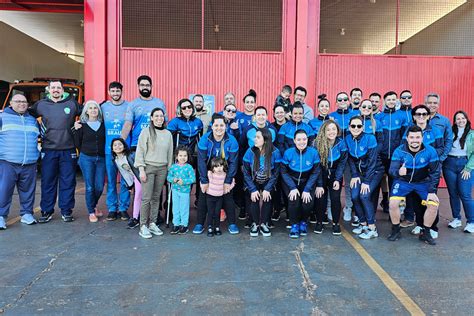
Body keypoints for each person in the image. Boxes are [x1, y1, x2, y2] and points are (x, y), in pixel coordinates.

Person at [29, 80, 82, 223]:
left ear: (62, 90)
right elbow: (26, 114)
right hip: (48, 149)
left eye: (58, 88)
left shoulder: (72, 104)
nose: (56, 90)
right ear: (49, 90)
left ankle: (66, 211)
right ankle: (47, 211)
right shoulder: (40, 105)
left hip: (68, 149)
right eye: (53, 88)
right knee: (48, 181)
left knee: (68, 181)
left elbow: (88, 111)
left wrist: (79, 125)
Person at [387, 125, 441, 245]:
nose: (415, 140)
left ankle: (426, 232)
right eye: (412, 137)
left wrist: (432, 191)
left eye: (417, 137)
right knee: (393, 203)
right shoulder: (399, 151)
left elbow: (435, 172)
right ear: (407, 138)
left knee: (433, 205)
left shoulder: (430, 151)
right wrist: (398, 172)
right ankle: (396, 229)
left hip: (423, 183)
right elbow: (391, 170)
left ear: (422, 138)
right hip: (403, 182)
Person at [194, 113, 240, 235]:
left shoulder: (232, 140)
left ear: (225, 126)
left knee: (228, 196)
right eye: (216, 125)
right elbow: (201, 161)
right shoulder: (205, 139)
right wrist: (204, 180)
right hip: (209, 172)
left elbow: (234, 162)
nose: (219, 128)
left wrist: (228, 180)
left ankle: (232, 223)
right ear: (212, 126)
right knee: (204, 195)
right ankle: (200, 223)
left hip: (224, 172)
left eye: (221, 125)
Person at [401, 105, 444, 230]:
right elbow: (404, 148)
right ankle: (420, 224)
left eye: (424, 114)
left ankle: (433, 227)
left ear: (428, 116)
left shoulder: (435, 131)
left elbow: (441, 148)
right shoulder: (408, 131)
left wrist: (429, 157)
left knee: (431, 200)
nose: (421, 116)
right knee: (416, 200)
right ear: (414, 116)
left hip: (430, 171)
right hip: (415, 171)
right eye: (418, 114)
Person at [0, 94, 40, 230]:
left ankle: (27, 214)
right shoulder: (2, 117)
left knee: (28, 191)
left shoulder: (33, 120)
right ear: (11, 103)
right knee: (4, 190)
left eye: (24, 102)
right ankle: (1, 216)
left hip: (29, 162)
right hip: (7, 162)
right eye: (18, 101)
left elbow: (41, 137)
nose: (22, 104)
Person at [134, 108, 173, 239]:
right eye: (156, 116)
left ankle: (152, 223)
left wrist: (169, 171)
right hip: (149, 167)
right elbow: (140, 151)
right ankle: (143, 225)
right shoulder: (146, 132)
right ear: (151, 118)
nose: (159, 118)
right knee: (146, 197)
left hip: (162, 169)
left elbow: (170, 154)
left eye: (161, 116)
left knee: (156, 197)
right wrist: (141, 169)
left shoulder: (168, 134)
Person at [346, 116, 384, 239]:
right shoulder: (348, 138)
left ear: (362, 127)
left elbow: (372, 161)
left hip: (375, 171)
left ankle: (372, 227)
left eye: (358, 126)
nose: (356, 128)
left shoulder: (370, 138)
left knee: (364, 195)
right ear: (349, 127)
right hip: (359, 173)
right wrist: (355, 175)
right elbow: (351, 159)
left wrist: (366, 181)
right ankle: (363, 224)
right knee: (354, 196)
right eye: (353, 126)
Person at [281, 130, 321, 238]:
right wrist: (292, 187)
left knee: (307, 203)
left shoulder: (313, 152)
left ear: (308, 140)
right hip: (291, 182)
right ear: (294, 140)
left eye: (304, 139)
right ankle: (294, 225)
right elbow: (283, 172)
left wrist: (307, 189)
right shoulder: (288, 153)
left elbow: (316, 172)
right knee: (294, 201)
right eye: (298, 139)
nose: (301, 142)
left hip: (307, 181)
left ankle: (303, 222)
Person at [242, 128, 281, 237]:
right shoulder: (250, 151)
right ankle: (255, 224)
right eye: (255, 137)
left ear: (266, 139)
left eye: (258, 137)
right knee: (254, 198)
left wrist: (267, 188)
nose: (255, 139)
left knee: (266, 197)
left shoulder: (275, 152)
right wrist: (253, 189)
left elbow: (276, 173)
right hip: (254, 180)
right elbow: (246, 172)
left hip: (268, 180)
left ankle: (264, 223)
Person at [101, 81, 131, 221]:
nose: (115, 93)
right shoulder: (103, 107)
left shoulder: (129, 106)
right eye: (112, 91)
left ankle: (123, 208)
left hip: (125, 152)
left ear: (122, 91)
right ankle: (112, 208)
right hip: (109, 151)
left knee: (126, 180)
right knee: (111, 182)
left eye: (118, 91)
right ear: (109, 92)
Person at [73, 100, 106, 223]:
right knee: (90, 187)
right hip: (86, 158)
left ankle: (94, 205)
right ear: (86, 111)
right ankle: (91, 211)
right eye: (90, 108)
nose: (93, 110)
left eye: (95, 108)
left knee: (99, 186)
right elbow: (77, 143)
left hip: (101, 159)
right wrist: (76, 129)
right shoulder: (81, 125)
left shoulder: (103, 124)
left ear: (98, 110)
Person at [314, 120, 348, 235]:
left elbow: (342, 163)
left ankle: (335, 223)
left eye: (333, 129)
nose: (331, 132)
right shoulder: (316, 143)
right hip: (321, 174)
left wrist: (338, 179)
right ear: (324, 131)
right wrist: (319, 184)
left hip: (335, 174)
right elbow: (316, 166)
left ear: (337, 130)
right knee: (320, 198)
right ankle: (319, 222)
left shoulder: (341, 143)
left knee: (335, 198)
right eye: (328, 129)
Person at [444, 111, 474, 233]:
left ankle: (471, 221)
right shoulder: (450, 132)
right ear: (455, 121)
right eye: (458, 119)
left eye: (463, 118)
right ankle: (456, 218)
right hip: (449, 164)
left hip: (465, 164)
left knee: (465, 194)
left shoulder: (472, 134)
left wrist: (468, 168)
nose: (461, 120)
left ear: (466, 120)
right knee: (453, 193)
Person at [330, 92, 357, 223]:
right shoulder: (331, 117)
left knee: (348, 183)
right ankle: (330, 207)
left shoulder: (354, 116)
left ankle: (348, 207)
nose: (342, 101)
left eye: (345, 99)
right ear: (336, 102)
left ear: (349, 101)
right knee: (333, 183)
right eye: (339, 99)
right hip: (336, 157)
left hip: (351, 156)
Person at [121, 75, 167, 151]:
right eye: (142, 85)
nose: (145, 87)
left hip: (156, 143)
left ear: (151, 86)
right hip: (137, 143)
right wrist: (121, 141)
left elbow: (165, 124)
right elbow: (127, 125)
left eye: (147, 85)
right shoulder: (133, 104)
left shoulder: (159, 103)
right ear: (138, 86)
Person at [167, 146, 196, 234]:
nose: (182, 158)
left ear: (188, 157)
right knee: (175, 208)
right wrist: (173, 180)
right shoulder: (173, 167)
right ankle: (176, 224)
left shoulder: (189, 167)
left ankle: (184, 225)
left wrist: (184, 181)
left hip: (185, 192)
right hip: (175, 191)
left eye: (185, 156)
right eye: (180, 155)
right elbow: (168, 177)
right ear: (176, 156)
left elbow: (193, 179)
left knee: (184, 208)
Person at [205, 157, 235, 236]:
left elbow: (230, 183)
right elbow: (204, 180)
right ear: (213, 168)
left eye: (220, 166)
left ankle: (217, 227)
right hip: (210, 197)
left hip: (219, 197)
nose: (219, 168)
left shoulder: (225, 175)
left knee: (217, 212)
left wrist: (229, 187)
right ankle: (210, 227)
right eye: (216, 166)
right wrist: (204, 187)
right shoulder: (210, 174)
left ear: (223, 166)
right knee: (211, 212)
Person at [270, 104, 288, 222]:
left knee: (286, 187)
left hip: (288, 161)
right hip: (275, 160)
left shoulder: (289, 125)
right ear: (274, 114)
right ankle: (276, 210)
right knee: (276, 187)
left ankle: (288, 211)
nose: (280, 114)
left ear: (285, 113)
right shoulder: (271, 127)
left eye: (281, 112)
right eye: (277, 112)